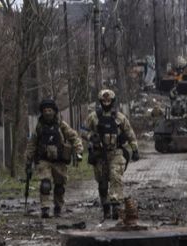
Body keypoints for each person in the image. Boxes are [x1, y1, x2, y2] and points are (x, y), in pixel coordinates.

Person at [85, 89, 140, 224]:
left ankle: (116, 207)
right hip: (100, 154)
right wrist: (91, 137)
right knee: (102, 183)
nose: (106, 103)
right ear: (100, 101)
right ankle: (105, 209)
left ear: (113, 101)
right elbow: (82, 131)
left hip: (116, 153)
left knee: (115, 177)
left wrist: (135, 149)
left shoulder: (120, 118)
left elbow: (129, 132)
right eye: (104, 101)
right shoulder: (93, 117)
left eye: (108, 100)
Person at [25, 98, 83, 218]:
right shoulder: (39, 127)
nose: (47, 113)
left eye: (50, 110)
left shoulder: (61, 125)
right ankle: (45, 208)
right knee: (45, 184)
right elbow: (32, 144)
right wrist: (28, 160)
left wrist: (79, 151)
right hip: (43, 160)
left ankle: (58, 206)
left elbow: (74, 137)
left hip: (59, 161)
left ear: (54, 111)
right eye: (45, 110)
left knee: (59, 186)